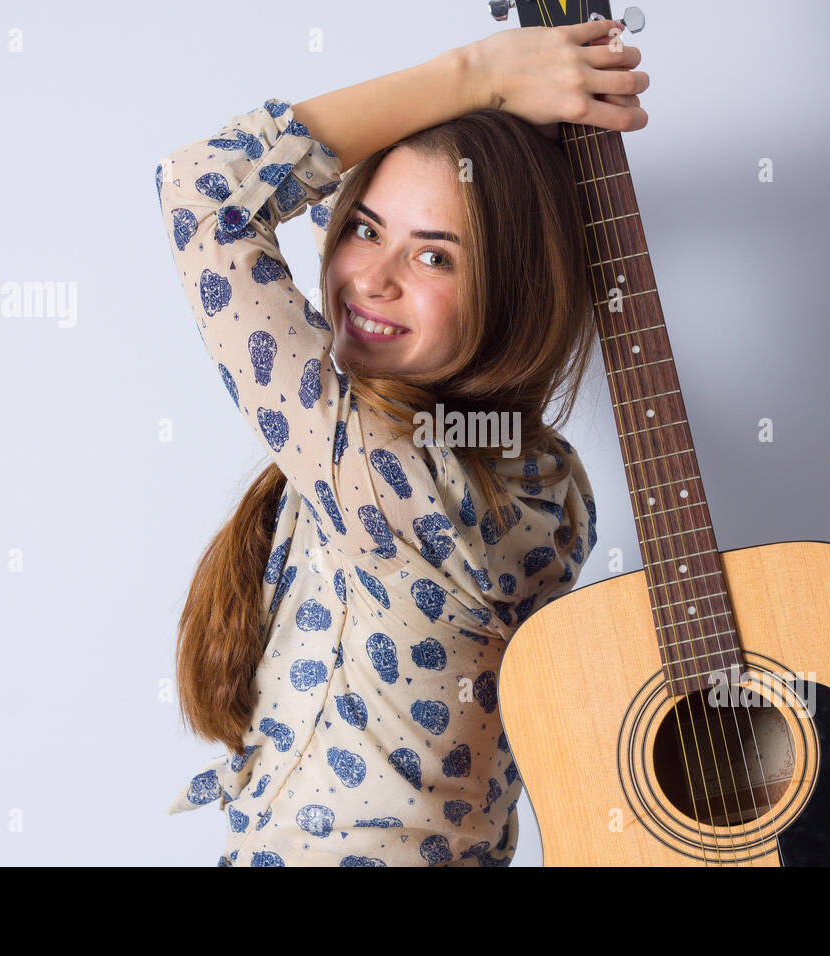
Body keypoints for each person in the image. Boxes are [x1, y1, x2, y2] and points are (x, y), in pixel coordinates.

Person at [155, 18, 649, 866]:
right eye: (366, 229)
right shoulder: (535, 474)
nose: (373, 278)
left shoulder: (395, 477)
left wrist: (478, 72)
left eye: (437, 259)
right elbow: (352, 256)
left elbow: (206, 194)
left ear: (512, 296)